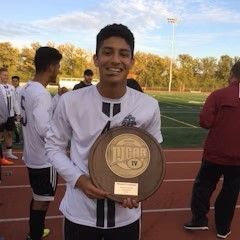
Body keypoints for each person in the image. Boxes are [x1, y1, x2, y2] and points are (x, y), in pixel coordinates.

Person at [45, 23, 163, 240]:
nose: (115, 60)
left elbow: (151, 157)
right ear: (96, 59)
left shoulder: (149, 105)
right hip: (80, 214)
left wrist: (138, 190)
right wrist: (79, 180)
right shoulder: (70, 101)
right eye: (107, 52)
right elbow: (53, 147)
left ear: (131, 61)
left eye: (123, 54)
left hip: (125, 217)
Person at [184, 61, 240, 239]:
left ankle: (199, 220)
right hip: (238, 159)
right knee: (230, 192)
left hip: (215, 154)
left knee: (204, 186)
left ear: (232, 73)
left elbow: (205, 122)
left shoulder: (219, 95)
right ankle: (223, 228)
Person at [20, 46, 62, 240]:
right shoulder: (42, 94)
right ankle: (35, 235)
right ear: (51, 67)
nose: (59, 70)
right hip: (44, 159)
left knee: (37, 197)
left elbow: (37, 114)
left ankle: (34, 231)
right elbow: (45, 129)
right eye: (58, 66)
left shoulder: (27, 88)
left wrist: (59, 98)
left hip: (31, 155)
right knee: (43, 200)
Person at [0, 68, 20, 160]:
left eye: (7, 75)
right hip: (1, 115)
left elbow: (15, 101)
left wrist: (18, 113)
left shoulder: (11, 87)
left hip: (11, 115)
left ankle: (9, 153)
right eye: (4, 75)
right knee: (0, 135)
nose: (6, 77)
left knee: (9, 134)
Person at [11, 75, 22, 143]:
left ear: (18, 81)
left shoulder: (21, 90)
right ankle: (17, 138)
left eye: (16, 81)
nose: (14, 82)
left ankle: (19, 139)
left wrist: (19, 112)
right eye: (13, 81)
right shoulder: (11, 89)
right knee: (14, 125)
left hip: (19, 111)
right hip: (12, 110)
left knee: (18, 125)